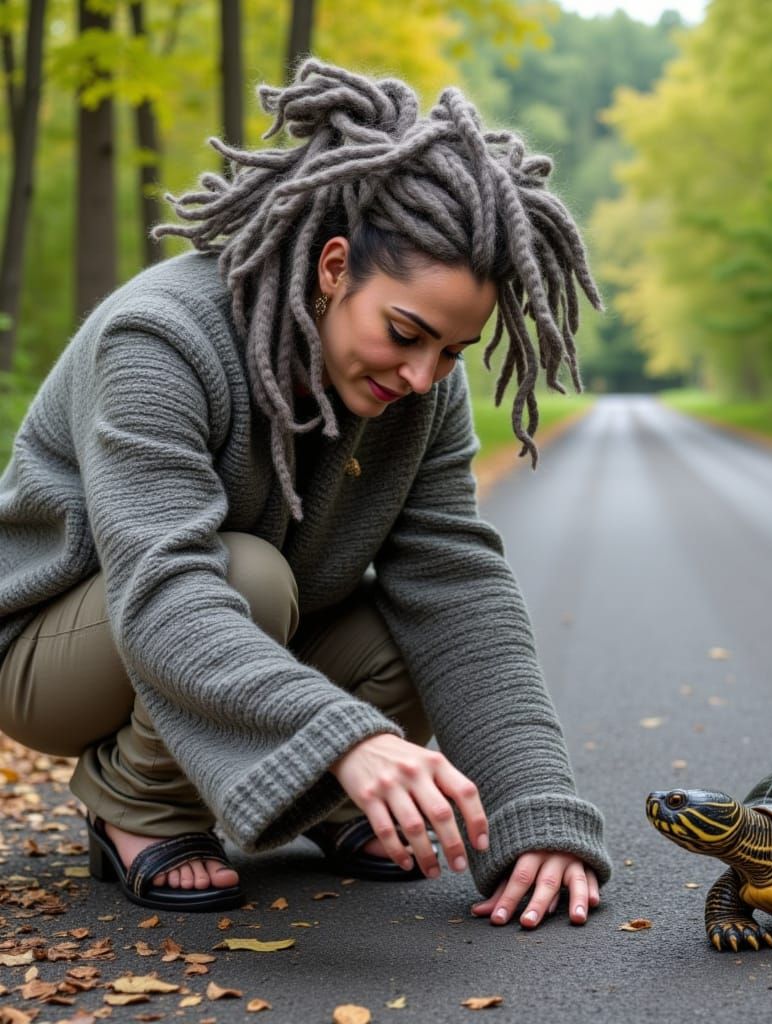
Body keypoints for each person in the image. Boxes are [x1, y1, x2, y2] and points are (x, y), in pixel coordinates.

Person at [0, 61, 612, 926]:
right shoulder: (162, 338)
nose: (422, 373)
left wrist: (538, 808)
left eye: (451, 352)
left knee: (414, 625)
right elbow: (166, 589)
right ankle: (137, 804)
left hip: (239, 622)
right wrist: (348, 735)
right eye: (405, 333)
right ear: (333, 268)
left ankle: (320, 803)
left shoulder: (420, 391)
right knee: (245, 576)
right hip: (54, 648)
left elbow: (457, 586)